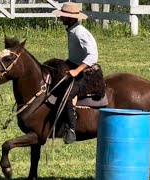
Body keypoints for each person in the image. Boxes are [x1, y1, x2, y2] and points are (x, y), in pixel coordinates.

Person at [52, 2, 99, 144]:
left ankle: (71, 129)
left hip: (85, 71)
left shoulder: (79, 32)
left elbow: (92, 56)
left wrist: (77, 71)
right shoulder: (73, 30)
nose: (61, 18)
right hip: (75, 66)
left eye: (63, 16)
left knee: (67, 95)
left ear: (71, 18)